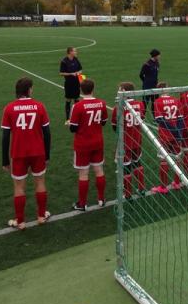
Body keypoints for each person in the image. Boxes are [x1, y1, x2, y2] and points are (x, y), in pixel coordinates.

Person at [1, 77, 51, 230]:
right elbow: (47, 133)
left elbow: (5, 136)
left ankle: (20, 221)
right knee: (40, 182)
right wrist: (47, 155)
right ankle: (41, 216)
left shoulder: (9, 108)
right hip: (38, 152)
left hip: (18, 153)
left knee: (18, 186)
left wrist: (5, 160)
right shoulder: (39, 106)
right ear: (29, 90)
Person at [69, 79, 108, 211]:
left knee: (83, 173)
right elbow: (103, 122)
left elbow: (73, 128)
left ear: (81, 89)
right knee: (99, 170)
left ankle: (82, 203)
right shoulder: (102, 103)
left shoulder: (78, 106)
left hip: (82, 144)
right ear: (93, 89)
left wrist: (73, 124)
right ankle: (102, 199)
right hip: (98, 142)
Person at [112, 82, 146, 199]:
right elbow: (142, 119)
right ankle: (141, 188)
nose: (118, 91)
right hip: (137, 140)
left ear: (125, 91)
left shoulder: (119, 107)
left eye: (120, 89)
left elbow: (114, 127)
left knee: (126, 167)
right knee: (137, 163)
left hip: (125, 142)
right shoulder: (140, 104)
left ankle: (127, 194)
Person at [151, 83, 184, 194]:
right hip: (176, 135)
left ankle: (163, 187)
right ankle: (177, 182)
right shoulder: (176, 100)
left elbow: (160, 120)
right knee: (177, 157)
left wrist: (172, 131)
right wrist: (178, 133)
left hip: (165, 135)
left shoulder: (157, 102)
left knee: (163, 160)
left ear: (159, 90)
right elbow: (180, 119)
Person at [59, 47, 83, 125]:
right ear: (70, 52)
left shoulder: (76, 59)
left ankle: (78, 118)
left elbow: (81, 70)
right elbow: (61, 73)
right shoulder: (64, 61)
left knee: (77, 100)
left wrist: (78, 73)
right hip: (69, 83)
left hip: (77, 83)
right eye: (74, 51)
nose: (76, 52)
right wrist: (71, 74)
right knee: (68, 100)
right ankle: (67, 119)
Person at [139, 49, 161, 115]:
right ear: (155, 56)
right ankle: (141, 118)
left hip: (155, 86)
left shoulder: (157, 63)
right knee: (144, 104)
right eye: (159, 55)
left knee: (155, 104)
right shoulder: (147, 64)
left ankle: (155, 118)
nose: (159, 56)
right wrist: (146, 81)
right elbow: (141, 75)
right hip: (147, 87)